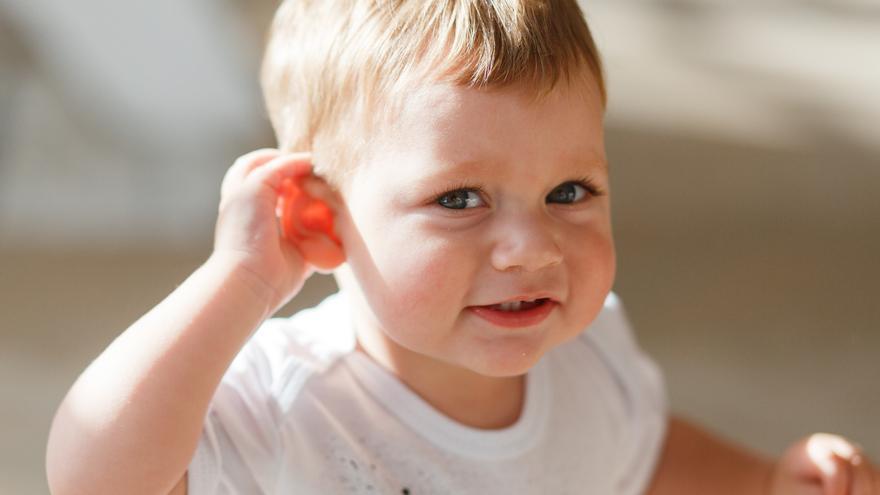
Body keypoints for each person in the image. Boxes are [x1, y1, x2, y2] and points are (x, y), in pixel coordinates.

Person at [45, 1, 878, 494]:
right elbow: (95, 475)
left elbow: (640, 449)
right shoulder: (281, 401)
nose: (530, 247)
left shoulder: (588, 352)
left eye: (569, 192)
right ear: (322, 221)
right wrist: (240, 278)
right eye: (459, 199)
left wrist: (764, 478)